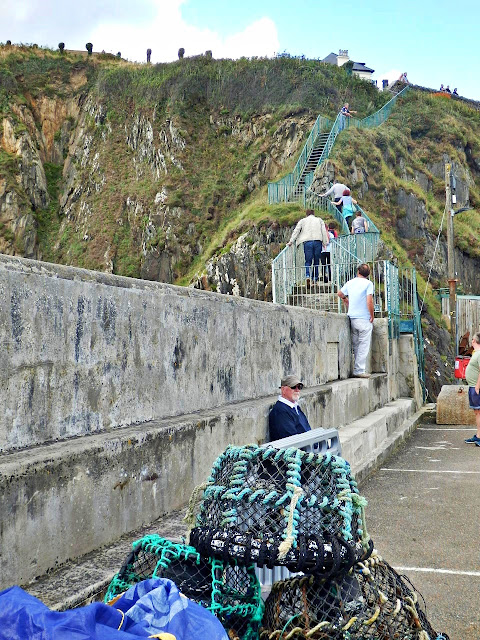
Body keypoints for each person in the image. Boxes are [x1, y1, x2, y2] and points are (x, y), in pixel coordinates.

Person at [337, 263, 374, 378]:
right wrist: (372, 315)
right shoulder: (368, 284)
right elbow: (369, 301)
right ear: (368, 274)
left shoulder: (350, 282)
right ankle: (359, 370)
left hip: (352, 317)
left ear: (358, 271)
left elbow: (340, 293)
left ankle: (356, 368)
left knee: (356, 344)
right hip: (363, 318)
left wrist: (345, 299)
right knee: (363, 344)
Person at [287, 209, 329, 286]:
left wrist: (291, 241)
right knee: (316, 261)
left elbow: (296, 231)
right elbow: (323, 231)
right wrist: (325, 242)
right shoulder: (319, 220)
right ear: (314, 214)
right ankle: (315, 279)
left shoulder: (303, 221)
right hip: (317, 241)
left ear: (306, 214)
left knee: (308, 261)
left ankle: (307, 276)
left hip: (307, 242)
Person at [269, 375, 312, 441]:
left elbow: (307, 429)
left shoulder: (295, 407)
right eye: (293, 387)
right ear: (283, 389)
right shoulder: (280, 411)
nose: (297, 390)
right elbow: (291, 439)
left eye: (299, 387)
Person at [464, 332, 480, 446]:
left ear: (474, 341)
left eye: (472, 340)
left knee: (478, 412)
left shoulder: (479, 354)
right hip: (472, 386)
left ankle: (479, 437)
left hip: (476, 387)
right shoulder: (476, 353)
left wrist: (477, 386)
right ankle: (478, 435)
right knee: (476, 412)